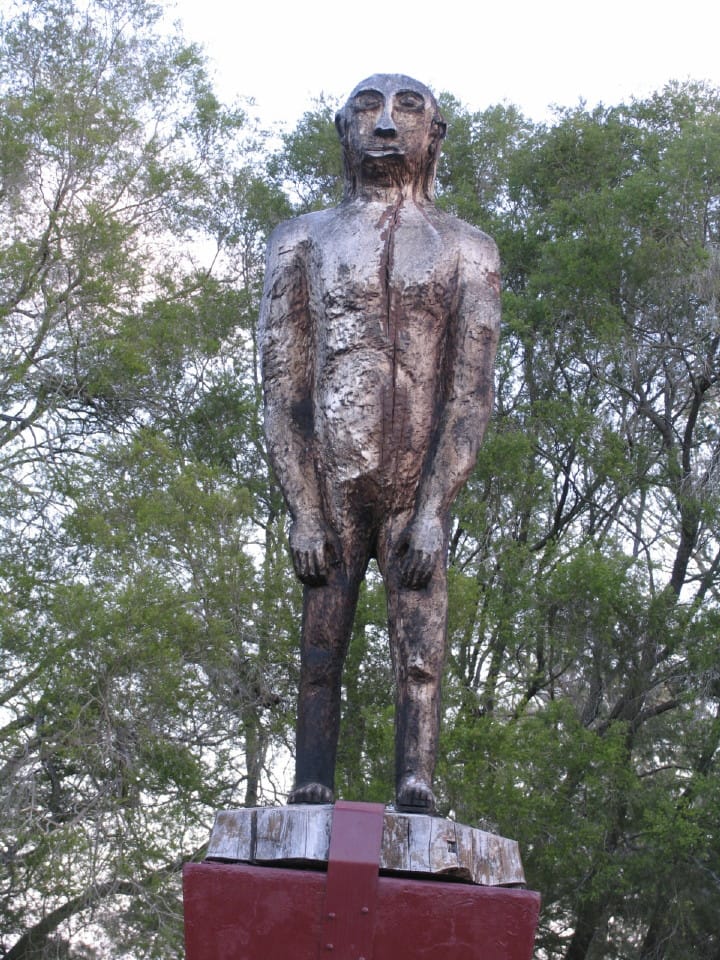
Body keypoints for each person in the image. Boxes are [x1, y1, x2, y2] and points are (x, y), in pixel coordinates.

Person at [259, 74, 500, 813]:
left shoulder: (468, 250)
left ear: (436, 133)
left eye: (407, 110)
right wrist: (302, 506)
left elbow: (469, 394)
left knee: (420, 652)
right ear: (343, 127)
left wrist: (433, 506)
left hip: (414, 486)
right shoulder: (300, 240)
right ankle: (312, 778)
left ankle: (416, 781)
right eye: (368, 109)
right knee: (319, 648)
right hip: (331, 483)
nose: (387, 126)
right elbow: (282, 389)